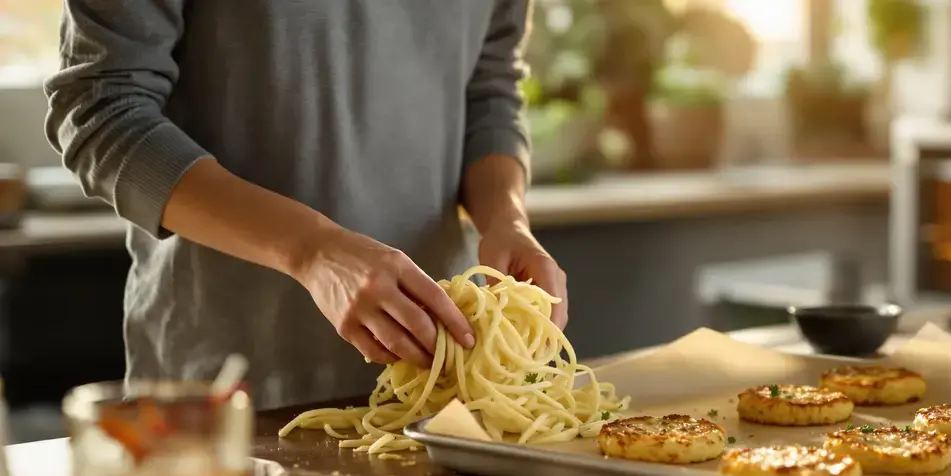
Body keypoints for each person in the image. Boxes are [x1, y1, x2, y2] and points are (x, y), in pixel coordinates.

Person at [44, 0, 566, 409]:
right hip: (224, 391)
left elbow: (489, 88)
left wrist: (505, 217)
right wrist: (312, 249)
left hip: (444, 392)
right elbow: (100, 110)